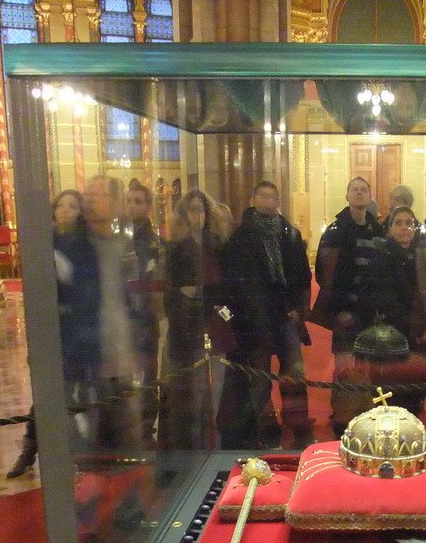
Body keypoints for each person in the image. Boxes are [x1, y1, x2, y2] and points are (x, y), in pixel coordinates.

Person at [217, 181, 314, 449]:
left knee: (294, 372)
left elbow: (302, 276)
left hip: (286, 315)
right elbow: (235, 282)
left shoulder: (290, 235)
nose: (268, 201)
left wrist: (299, 308)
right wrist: (244, 314)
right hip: (255, 318)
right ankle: (262, 427)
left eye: (273, 197)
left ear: (278, 201)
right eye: (263, 196)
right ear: (253, 199)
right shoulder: (241, 238)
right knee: (259, 377)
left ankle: (299, 426)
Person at [6, 189, 85, 478]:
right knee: (44, 394)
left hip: (75, 332)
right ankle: (29, 451)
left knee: (68, 394)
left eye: (72, 206)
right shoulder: (42, 243)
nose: (65, 211)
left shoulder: (82, 245)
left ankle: (70, 454)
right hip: (46, 331)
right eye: (61, 206)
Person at [60, 175, 141, 452]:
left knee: (125, 435)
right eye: (89, 195)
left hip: (118, 353)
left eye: (100, 195)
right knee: (91, 441)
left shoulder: (122, 246)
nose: (91, 201)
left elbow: (127, 300)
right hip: (87, 358)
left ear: (116, 204)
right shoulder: (73, 247)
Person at [311, 176, 384, 435]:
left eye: (364, 190)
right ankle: (342, 416)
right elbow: (324, 272)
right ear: (347, 196)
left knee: (369, 366)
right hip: (344, 310)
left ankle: (367, 414)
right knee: (343, 366)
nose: (359, 194)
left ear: (370, 196)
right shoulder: (335, 230)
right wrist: (339, 309)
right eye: (355, 189)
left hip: (370, 312)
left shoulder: (378, 230)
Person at [159, 189, 227, 450]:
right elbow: (173, 293)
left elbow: (224, 291)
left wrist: (220, 309)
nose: (197, 215)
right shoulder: (176, 249)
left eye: (201, 210)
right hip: (186, 331)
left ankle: (211, 449)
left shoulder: (217, 246)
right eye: (192, 210)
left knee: (214, 399)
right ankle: (189, 453)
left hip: (215, 328)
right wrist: (202, 296)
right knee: (188, 400)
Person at [360, 205, 426, 351]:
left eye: (409, 223)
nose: (404, 227)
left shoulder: (420, 256)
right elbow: (387, 303)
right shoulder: (381, 258)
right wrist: (418, 330)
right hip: (393, 337)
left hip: (420, 330)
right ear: (390, 228)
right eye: (398, 223)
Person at [125, 184, 163, 446]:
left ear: (148, 207)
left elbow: (156, 281)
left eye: (139, 201)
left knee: (149, 374)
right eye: (129, 201)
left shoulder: (154, 241)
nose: (133, 206)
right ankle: (124, 427)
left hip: (145, 316)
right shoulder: (118, 237)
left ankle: (146, 426)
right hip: (122, 315)